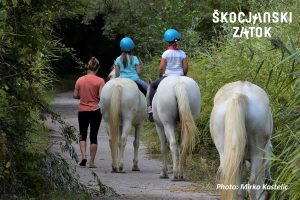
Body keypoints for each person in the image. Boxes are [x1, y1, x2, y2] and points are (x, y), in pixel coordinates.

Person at [147, 29, 188, 121]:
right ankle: (199, 106)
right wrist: (184, 75)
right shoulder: (182, 53)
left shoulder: (166, 53)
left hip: (168, 76)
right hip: (181, 76)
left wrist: (160, 75)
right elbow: (185, 68)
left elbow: (161, 68)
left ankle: (150, 108)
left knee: (153, 85)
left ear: (167, 42)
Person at [73, 57, 105, 168]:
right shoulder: (100, 81)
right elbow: (101, 97)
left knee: (82, 133)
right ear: (98, 68)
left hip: (82, 111)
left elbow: (75, 95)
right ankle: (92, 161)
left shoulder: (80, 80)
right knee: (93, 135)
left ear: (88, 67)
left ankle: (83, 157)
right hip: (95, 111)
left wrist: (83, 97)